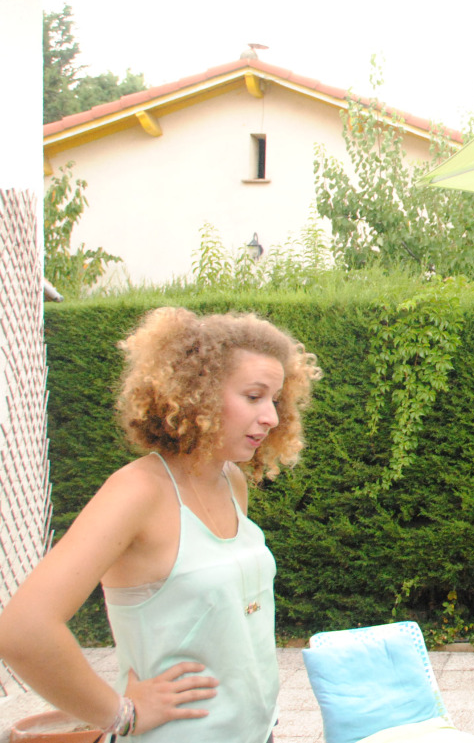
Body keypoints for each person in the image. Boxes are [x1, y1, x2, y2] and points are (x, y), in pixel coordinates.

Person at [0, 307, 320, 742]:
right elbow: (23, 630)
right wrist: (121, 713)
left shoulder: (231, 482)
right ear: (197, 394)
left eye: (275, 400)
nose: (272, 417)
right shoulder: (138, 491)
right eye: (253, 396)